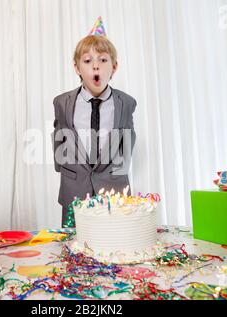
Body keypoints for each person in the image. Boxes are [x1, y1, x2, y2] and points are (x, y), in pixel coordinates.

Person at [52, 18, 137, 227]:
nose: (95, 66)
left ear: (114, 67)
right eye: (88, 61)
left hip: (114, 192)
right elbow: (59, 141)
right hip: (74, 191)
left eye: (103, 60)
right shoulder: (62, 102)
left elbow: (127, 144)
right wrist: (67, 169)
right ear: (77, 68)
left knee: (114, 247)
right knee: (74, 249)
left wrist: (115, 171)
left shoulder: (126, 103)